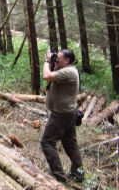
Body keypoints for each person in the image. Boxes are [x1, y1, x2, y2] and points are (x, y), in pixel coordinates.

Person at [41, 49, 84, 182]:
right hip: (68, 112)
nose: (56, 59)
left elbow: (47, 76)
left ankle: (59, 177)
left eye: (58, 57)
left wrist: (47, 61)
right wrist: (53, 63)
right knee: (71, 145)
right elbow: (52, 76)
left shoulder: (69, 72)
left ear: (67, 60)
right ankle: (79, 175)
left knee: (47, 142)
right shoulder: (66, 70)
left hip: (62, 115)